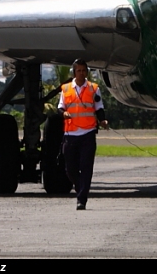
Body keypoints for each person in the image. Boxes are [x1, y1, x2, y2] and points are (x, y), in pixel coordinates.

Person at [58, 59, 108, 210]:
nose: (81, 73)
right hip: (71, 133)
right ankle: (80, 187)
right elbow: (60, 107)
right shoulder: (66, 89)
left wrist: (103, 120)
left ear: (87, 72)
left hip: (88, 133)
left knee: (86, 167)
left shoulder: (94, 88)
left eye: (84, 70)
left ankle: (82, 199)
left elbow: (99, 107)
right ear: (74, 72)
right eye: (78, 70)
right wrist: (64, 112)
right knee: (70, 169)